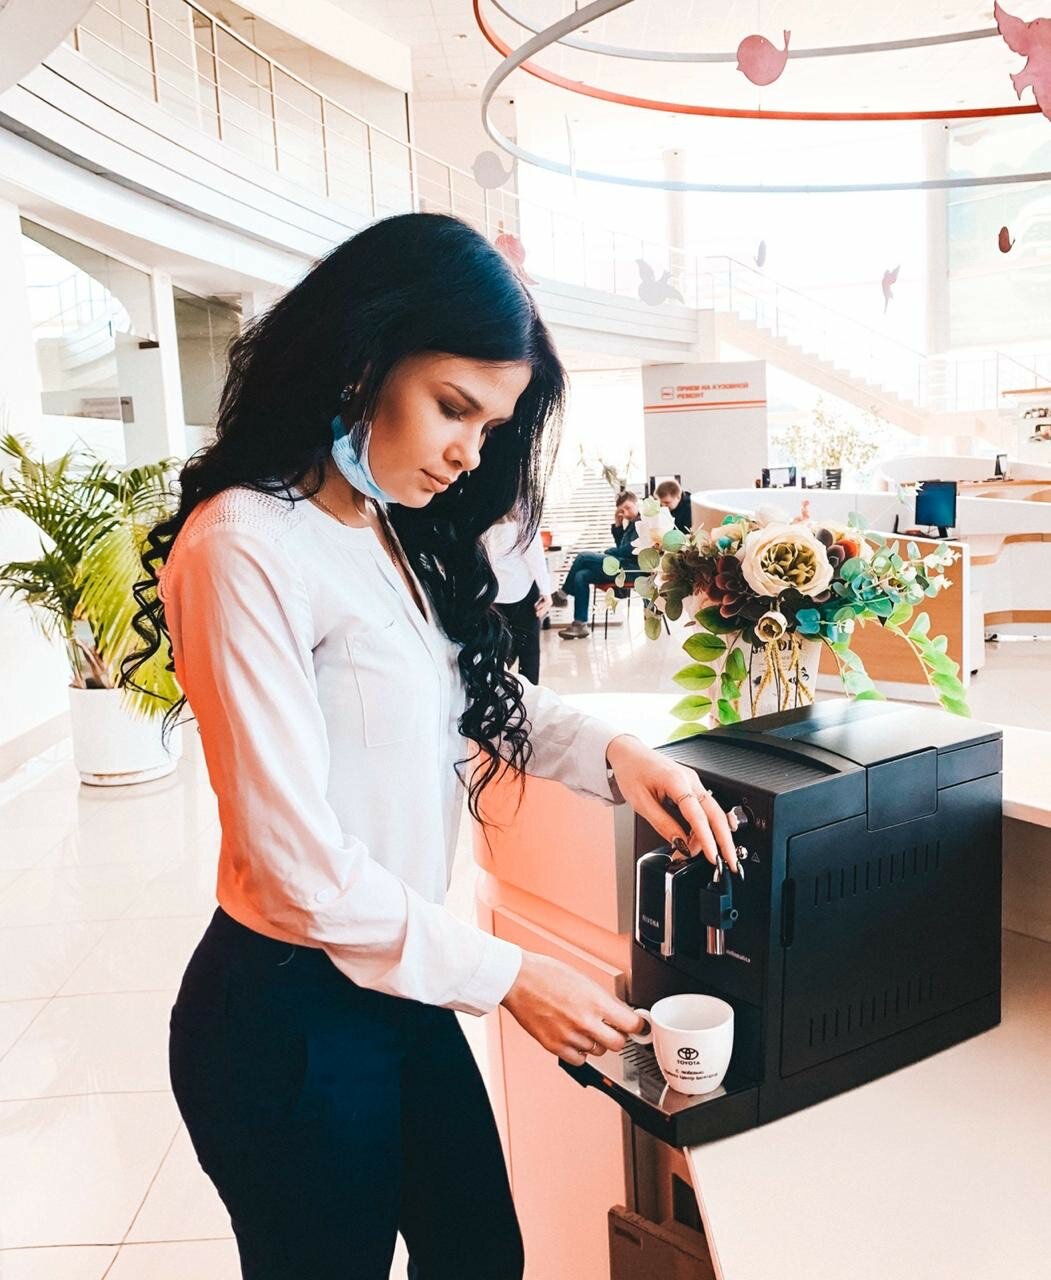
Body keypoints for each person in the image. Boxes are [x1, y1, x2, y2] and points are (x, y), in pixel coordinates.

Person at [122, 213, 738, 1280]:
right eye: (453, 407)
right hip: (286, 1013)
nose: (468, 452)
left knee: (481, 1254)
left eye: (490, 426)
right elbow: (294, 866)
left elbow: (475, 694)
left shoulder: (381, 526)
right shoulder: (243, 545)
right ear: (362, 358)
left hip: (395, 985)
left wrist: (620, 755)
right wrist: (509, 974)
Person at [552, 489, 640, 639]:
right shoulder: (631, 524)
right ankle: (580, 625)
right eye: (621, 511)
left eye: (628, 507)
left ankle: (562, 594)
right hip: (621, 567)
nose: (625, 513)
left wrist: (610, 552)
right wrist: (618, 525)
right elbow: (621, 547)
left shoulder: (643, 521)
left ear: (637, 503)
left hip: (632, 571)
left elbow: (631, 549)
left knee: (583, 557)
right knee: (581, 575)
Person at [482, 510, 551, 684]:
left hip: (494, 596)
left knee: (501, 650)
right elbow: (535, 559)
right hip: (522, 592)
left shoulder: (482, 520)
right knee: (529, 652)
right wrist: (546, 592)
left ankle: (497, 687)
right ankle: (529, 693)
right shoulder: (524, 520)